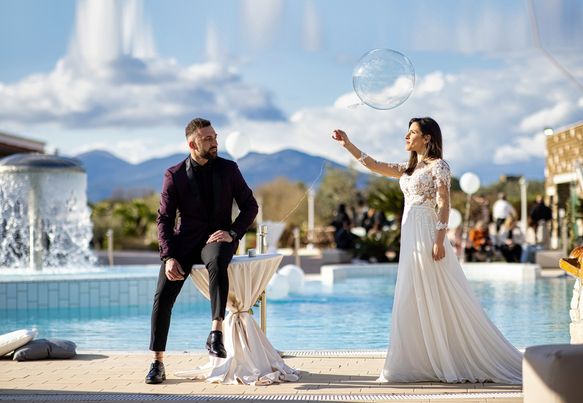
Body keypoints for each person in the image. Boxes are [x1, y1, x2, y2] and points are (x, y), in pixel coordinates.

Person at [332, 117, 522, 384]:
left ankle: (450, 354)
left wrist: (440, 239)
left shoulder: (438, 166)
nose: (406, 137)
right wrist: (348, 145)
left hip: (427, 232)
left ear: (428, 138)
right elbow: (373, 165)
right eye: (407, 132)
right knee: (411, 292)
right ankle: (418, 359)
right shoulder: (409, 169)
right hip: (410, 235)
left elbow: (444, 202)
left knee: (439, 289)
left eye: (412, 132)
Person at [145, 118, 258, 384]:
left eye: (215, 136)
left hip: (217, 239)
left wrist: (232, 232)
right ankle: (156, 362)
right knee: (162, 296)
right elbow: (163, 219)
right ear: (192, 144)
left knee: (218, 260)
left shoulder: (229, 169)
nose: (215, 141)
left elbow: (250, 206)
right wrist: (169, 256)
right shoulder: (174, 175)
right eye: (208, 139)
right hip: (184, 243)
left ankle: (215, 332)